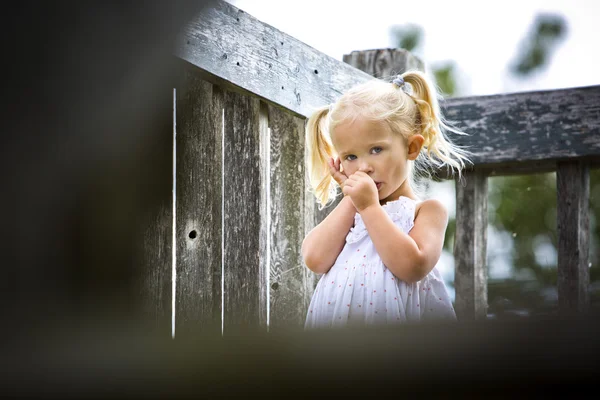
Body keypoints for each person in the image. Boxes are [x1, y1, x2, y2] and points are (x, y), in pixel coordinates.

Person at [302, 70, 471, 329]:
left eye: (376, 150)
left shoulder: (427, 212)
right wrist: (352, 199)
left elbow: (412, 266)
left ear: (411, 147)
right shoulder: (353, 212)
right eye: (350, 157)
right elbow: (314, 258)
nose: (363, 167)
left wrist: (369, 206)